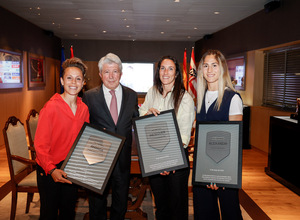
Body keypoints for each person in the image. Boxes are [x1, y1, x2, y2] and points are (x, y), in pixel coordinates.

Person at [82, 53, 139, 220]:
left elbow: (136, 121)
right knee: (96, 202)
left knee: (120, 200)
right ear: (100, 74)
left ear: (121, 73)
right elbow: (83, 126)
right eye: (107, 72)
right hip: (97, 157)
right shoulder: (89, 96)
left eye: (115, 71)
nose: (111, 76)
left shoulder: (132, 95)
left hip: (123, 157)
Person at [139, 55, 195, 220]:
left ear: (177, 73)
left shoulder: (184, 97)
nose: (166, 72)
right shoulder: (152, 91)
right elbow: (142, 114)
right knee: (161, 205)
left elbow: (184, 134)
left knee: (177, 206)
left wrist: (168, 161)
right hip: (155, 157)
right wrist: (147, 113)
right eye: (163, 68)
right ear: (158, 71)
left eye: (170, 68)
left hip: (176, 160)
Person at [35, 57, 90, 220]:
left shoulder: (84, 108)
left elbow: (84, 140)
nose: (74, 82)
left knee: (68, 211)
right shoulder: (51, 107)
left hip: (71, 167)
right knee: (49, 213)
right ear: (62, 80)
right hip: (49, 168)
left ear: (83, 82)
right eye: (69, 78)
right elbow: (40, 145)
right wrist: (52, 169)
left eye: (78, 78)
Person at [193, 49, 243, 220]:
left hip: (224, 170)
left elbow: (234, 141)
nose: (210, 70)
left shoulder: (232, 98)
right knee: (204, 213)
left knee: (231, 212)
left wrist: (219, 174)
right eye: (205, 66)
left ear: (222, 68)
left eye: (214, 65)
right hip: (203, 168)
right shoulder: (200, 97)